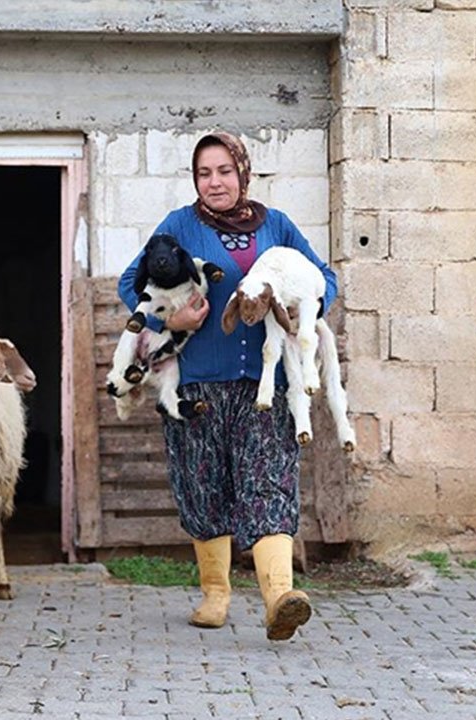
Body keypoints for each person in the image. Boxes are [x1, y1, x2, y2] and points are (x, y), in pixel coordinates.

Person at [117, 132, 337, 641]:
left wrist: (303, 311)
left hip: (267, 386)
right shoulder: (179, 226)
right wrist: (170, 321)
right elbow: (131, 283)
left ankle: (278, 597)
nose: (214, 182)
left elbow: (324, 278)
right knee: (203, 487)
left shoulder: (277, 226)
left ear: (243, 172)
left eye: (223, 171)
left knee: (269, 484)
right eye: (203, 173)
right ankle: (215, 595)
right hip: (197, 387)